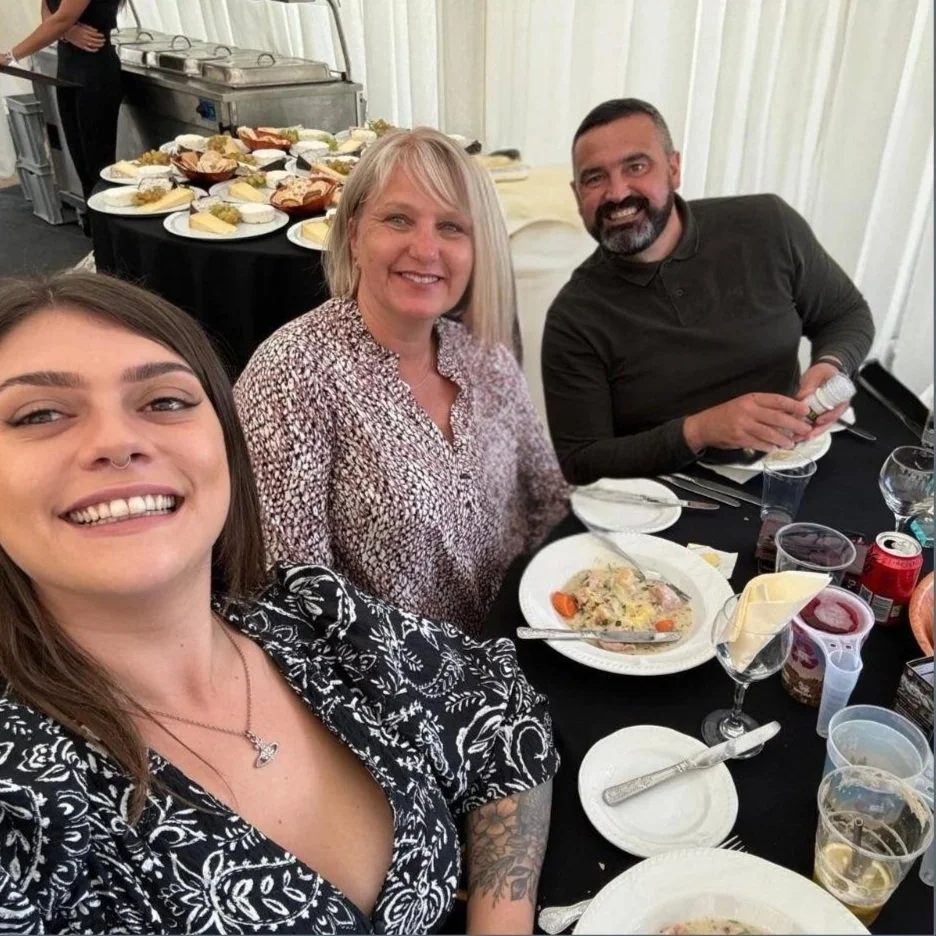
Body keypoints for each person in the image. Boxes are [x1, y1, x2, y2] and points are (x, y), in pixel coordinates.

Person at [0, 271, 558, 935]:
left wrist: (503, 917)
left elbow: (499, 712)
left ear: (229, 451)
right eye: (39, 415)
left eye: (165, 401)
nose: (117, 441)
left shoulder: (307, 614)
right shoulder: (23, 807)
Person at [235, 128, 569, 637]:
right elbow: (290, 606)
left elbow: (549, 502)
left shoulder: (487, 360)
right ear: (353, 234)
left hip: (530, 637)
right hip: (395, 690)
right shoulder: (291, 374)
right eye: (398, 219)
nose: (426, 248)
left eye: (452, 227)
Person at [541, 98, 875, 483]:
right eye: (594, 178)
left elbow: (846, 313)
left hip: (792, 464)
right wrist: (699, 431)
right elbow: (582, 460)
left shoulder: (767, 225)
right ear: (576, 194)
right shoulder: (574, 317)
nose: (617, 194)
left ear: (673, 168)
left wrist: (831, 364)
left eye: (636, 166)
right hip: (664, 499)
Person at [2, 1, 124, 221]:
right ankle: (97, 239)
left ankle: (111, 244)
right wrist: (67, 32)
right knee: (82, 167)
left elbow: (61, 18)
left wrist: (11, 56)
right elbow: (48, 11)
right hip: (67, 71)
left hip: (95, 73)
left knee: (99, 168)